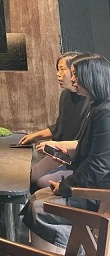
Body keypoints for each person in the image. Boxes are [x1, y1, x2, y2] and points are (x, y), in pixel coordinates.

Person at [22, 53, 110, 254]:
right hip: (92, 187)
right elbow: (93, 153)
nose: (73, 79)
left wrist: (65, 187)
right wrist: (69, 156)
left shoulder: (106, 112)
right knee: (36, 198)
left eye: (76, 74)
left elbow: (98, 166)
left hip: (99, 194)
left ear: (91, 77)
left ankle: (73, 248)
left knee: (40, 208)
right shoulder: (97, 106)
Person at [18, 51, 89, 192]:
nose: (58, 74)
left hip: (79, 158)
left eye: (62, 69)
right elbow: (61, 126)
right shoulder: (66, 95)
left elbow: (86, 143)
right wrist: (35, 136)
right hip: (62, 154)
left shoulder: (91, 102)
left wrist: (56, 145)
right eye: (57, 69)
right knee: (30, 176)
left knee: (42, 181)